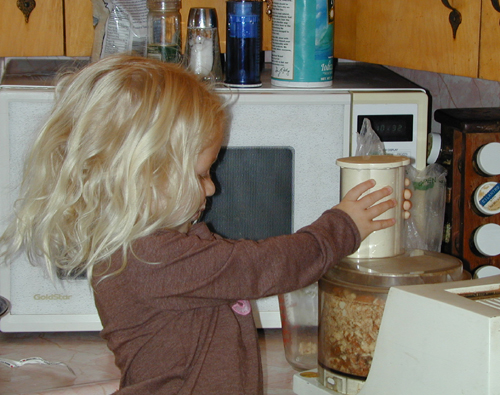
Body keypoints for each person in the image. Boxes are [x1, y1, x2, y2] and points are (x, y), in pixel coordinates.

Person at [0, 55, 411, 394]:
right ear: (144, 174)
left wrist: (378, 214)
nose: (212, 188)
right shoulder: (155, 259)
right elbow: (265, 266)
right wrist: (344, 225)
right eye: (200, 174)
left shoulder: (149, 250)